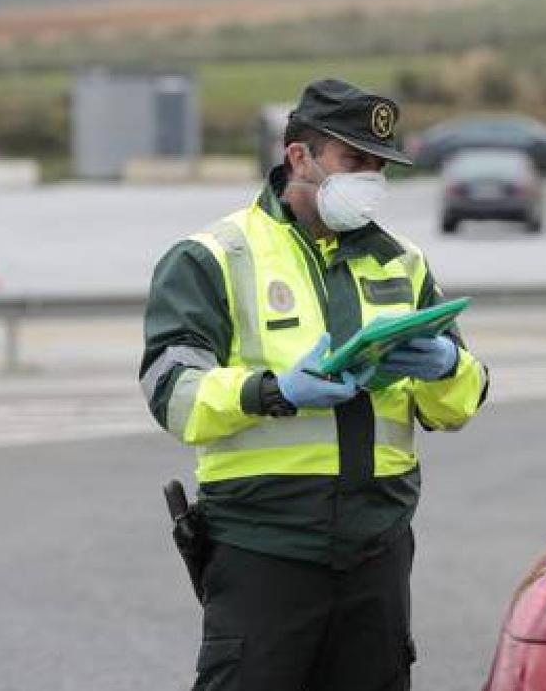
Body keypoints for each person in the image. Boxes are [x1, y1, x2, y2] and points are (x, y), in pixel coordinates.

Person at [139, 78, 489, 691]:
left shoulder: (401, 261)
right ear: (299, 156)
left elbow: (456, 406)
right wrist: (272, 392)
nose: (371, 180)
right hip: (262, 549)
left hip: (377, 553)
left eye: (380, 166)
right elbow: (173, 393)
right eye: (354, 162)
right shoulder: (213, 256)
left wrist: (446, 368)